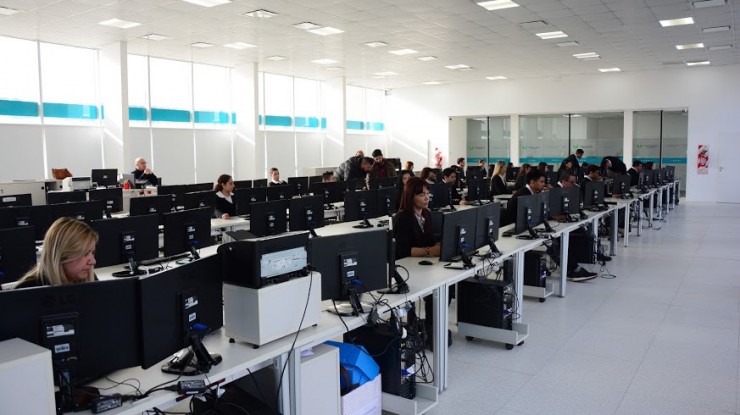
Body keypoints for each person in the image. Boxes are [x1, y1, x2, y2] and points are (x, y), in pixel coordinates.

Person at [15, 217, 98, 288]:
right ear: (61, 255)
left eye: (93, 253)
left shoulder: (88, 278)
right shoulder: (28, 291)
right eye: (85, 254)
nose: (93, 261)